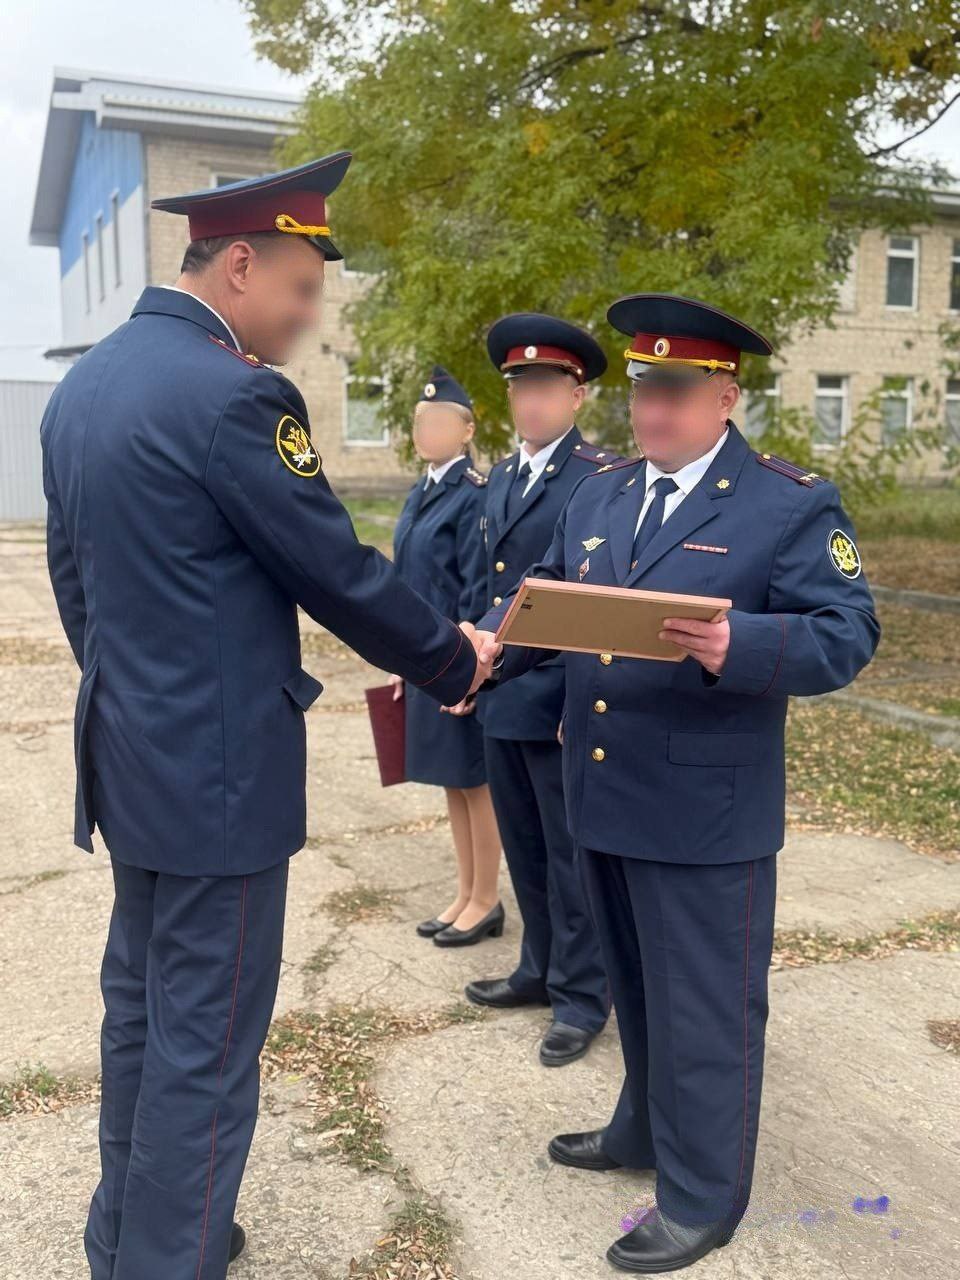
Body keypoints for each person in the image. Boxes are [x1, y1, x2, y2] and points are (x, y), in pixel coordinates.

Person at [39, 152, 491, 1280]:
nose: (306, 319)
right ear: (240, 265)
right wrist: (450, 656)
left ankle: (127, 1233)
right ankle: (168, 1256)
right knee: (207, 1037)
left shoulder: (85, 386)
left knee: (142, 1013)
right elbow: (330, 568)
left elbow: (75, 585)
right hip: (219, 780)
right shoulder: (235, 393)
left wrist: (138, 694)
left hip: (130, 757)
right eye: (299, 290)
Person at [466, 294, 880, 1272]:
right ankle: (643, 1132)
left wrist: (749, 640)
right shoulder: (602, 495)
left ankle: (703, 1196)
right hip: (605, 795)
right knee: (642, 994)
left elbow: (849, 632)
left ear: (726, 394)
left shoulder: (788, 503)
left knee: (707, 1009)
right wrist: (484, 657)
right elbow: (551, 613)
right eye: (646, 386)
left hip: (706, 811)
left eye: (678, 390)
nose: (654, 409)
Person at [461, 313, 619, 1067]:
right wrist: (465, 665)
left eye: (548, 386)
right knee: (525, 847)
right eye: (521, 386)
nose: (532, 401)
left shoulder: (598, 479)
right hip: (502, 695)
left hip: (559, 699)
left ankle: (583, 997)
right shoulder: (500, 477)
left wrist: (573, 701)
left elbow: (593, 599)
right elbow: (488, 585)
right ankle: (537, 969)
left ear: (578, 395)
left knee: (570, 857)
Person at [389, 367, 504, 946]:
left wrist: (467, 671)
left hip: (456, 660)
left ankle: (487, 899)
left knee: (473, 781)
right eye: (419, 421)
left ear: (466, 432)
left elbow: (474, 591)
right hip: (421, 657)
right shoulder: (422, 490)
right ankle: (466, 892)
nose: (425, 430)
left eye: (438, 421)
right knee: (450, 784)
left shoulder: (471, 497)